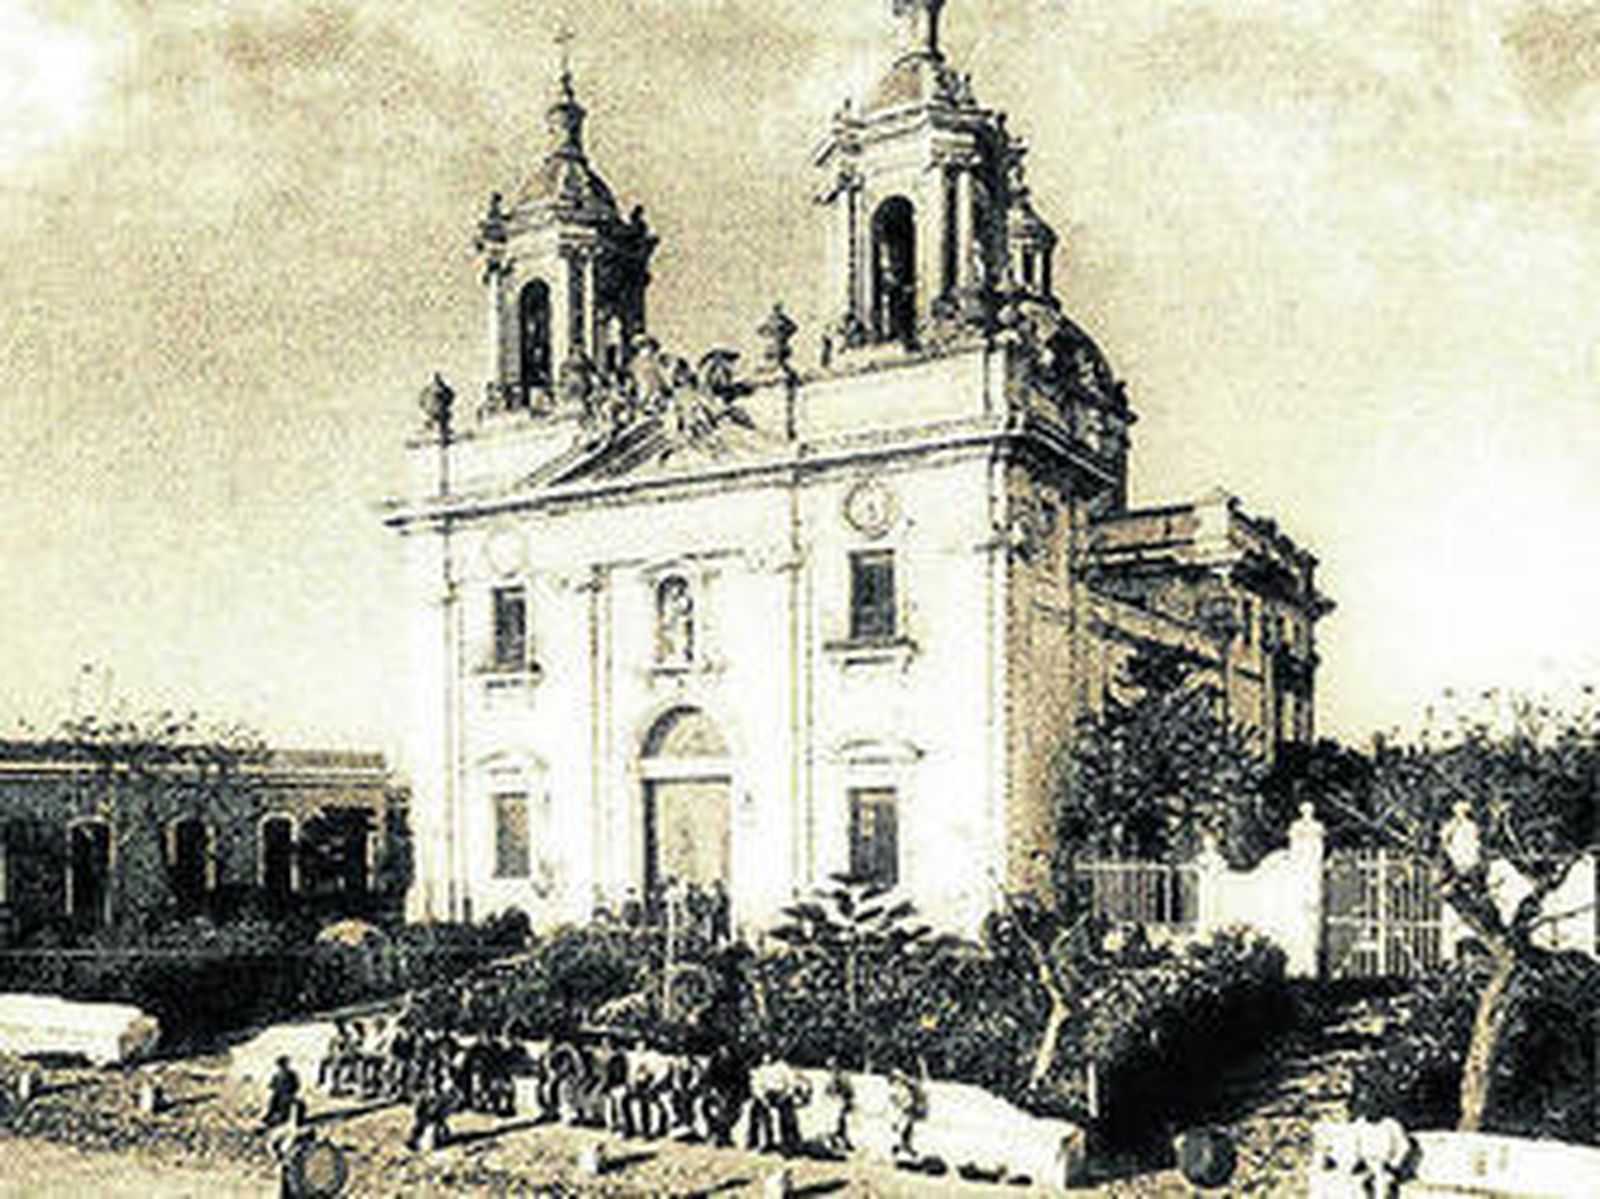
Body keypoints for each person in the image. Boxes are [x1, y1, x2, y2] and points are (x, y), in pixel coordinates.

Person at [263, 1056, 302, 1131]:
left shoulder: (292, 1074)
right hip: (279, 1093)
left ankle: (283, 1118)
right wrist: (272, 1085)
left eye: (285, 1064)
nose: (283, 1066)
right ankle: (270, 1115)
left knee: (285, 1103)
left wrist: (290, 1090)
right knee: (273, 1101)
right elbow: (273, 1084)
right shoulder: (277, 1075)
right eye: (282, 1065)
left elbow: (296, 1085)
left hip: (288, 1093)